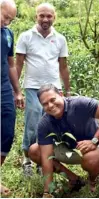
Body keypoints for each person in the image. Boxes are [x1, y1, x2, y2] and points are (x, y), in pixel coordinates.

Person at [28, 84, 99, 197]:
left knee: (91, 159)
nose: (50, 105)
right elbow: (46, 159)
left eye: (53, 100)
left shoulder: (78, 103)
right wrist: (47, 192)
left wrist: (94, 141)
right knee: (34, 150)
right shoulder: (44, 124)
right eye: (45, 104)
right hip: (70, 150)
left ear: (61, 95)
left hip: (96, 144)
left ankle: (92, 180)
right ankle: (74, 180)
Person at [16, 3, 70, 176]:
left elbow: (63, 67)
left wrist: (67, 90)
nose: (45, 19)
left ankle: (42, 158)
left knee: (51, 124)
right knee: (33, 123)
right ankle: (27, 159)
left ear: (54, 17)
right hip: (32, 87)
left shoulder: (60, 39)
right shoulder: (26, 37)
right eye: (42, 16)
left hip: (54, 89)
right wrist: (16, 90)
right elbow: (17, 64)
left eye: (49, 16)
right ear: (36, 17)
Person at [1, 0, 24, 196]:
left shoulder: (8, 34)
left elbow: (10, 64)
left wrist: (17, 91)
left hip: (4, 90)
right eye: (5, 17)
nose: (7, 22)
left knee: (7, 133)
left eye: (11, 19)